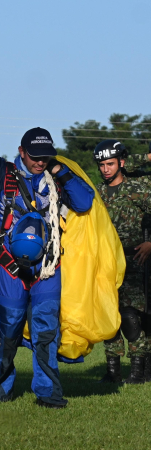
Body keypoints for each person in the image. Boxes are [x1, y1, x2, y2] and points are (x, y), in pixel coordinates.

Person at [0, 80, 94, 408]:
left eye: (46, 157)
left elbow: (85, 201)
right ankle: (0, 389)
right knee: (8, 330)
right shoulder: (0, 173)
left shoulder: (56, 177)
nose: (39, 162)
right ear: (22, 152)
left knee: (47, 332)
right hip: (10, 268)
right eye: (35, 156)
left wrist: (60, 170)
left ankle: (48, 392)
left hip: (48, 269)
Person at [94, 140, 151, 384]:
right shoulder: (95, 193)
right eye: (102, 165)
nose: (105, 169)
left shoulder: (139, 188)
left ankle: (137, 373)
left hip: (133, 261)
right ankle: (113, 372)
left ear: (122, 163)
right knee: (109, 317)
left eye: (110, 163)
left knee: (130, 316)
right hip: (105, 264)